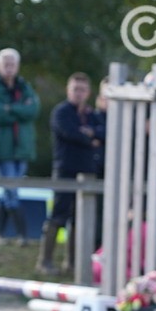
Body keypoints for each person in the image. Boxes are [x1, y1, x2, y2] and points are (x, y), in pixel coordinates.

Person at [40, 73, 105, 275]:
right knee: (58, 216)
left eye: (82, 89)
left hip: (87, 173)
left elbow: (104, 132)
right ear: (69, 90)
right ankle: (45, 262)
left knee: (80, 219)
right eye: (75, 89)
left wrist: (89, 133)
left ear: (88, 92)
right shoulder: (61, 112)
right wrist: (90, 136)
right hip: (65, 170)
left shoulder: (91, 114)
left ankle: (73, 263)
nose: (79, 93)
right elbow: (69, 132)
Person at [0, 48, 40, 246]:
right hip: (3, 148)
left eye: (12, 64)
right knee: (12, 190)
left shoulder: (25, 88)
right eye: (5, 64)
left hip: (21, 148)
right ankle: (23, 235)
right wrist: (19, 110)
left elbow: (33, 110)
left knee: (8, 192)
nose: (9, 68)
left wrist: (10, 108)